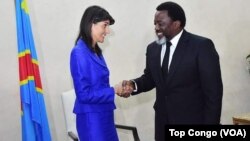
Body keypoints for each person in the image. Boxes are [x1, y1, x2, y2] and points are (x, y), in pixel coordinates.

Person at [120, 1, 223, 141]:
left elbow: (213, 94)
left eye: (160, 23)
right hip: (162, 124)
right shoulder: (153, 49)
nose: (156, 28)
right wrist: (133, 85)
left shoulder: (201, 46)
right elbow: (151, 78)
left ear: (176, 24)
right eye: (154, 23)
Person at [70, 5, 122, 141]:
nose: (108, 31)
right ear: (91, 24)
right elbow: (83, 94)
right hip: (92, 121)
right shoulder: (79, 53)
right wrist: (113, 90)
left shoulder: (96, 52)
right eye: (105, 25)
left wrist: (114, 89)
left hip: (104, 116)